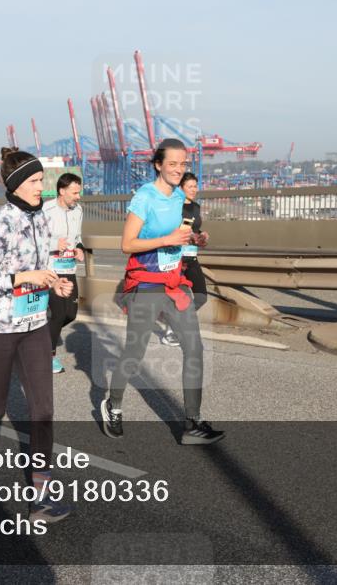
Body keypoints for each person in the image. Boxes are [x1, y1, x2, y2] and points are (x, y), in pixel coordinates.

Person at [0, 147, 74, 523]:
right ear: (14, 185)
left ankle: (40, 493)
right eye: (35, 182)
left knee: (43, 410)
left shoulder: (41, 219)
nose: (42, 187)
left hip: (34, 325)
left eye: (42, 180)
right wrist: (24, 278)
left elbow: (41, 267)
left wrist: (54, 283)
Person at [101, 139, 224, 445]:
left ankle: (192, 423)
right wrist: (168, 237)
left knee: (194, 349)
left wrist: (194, 239)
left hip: (174, 282)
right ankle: (113, 405)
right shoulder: (146, 196)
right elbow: (127, 244)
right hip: (146, 283)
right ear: (158, 164)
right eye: (172, 164)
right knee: (135, 352)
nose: (179, 169)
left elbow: (177, 239)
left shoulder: (180, 195)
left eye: (183, 164)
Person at [159, 172, 210, 346]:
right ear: (180, 188)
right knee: (180, 298)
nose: (194, 189)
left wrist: (202, 235)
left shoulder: (196, 207)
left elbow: (195, 228)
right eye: (190, 186)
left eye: (196, 186)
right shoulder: (173, 207)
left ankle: (176, 322)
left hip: (192, 257)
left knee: (201, 297)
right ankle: (172, 331)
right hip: (176, 259)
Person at [41, 173, 84, 374]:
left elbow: (77, 237)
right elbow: (34, 238)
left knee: (70, 314)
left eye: (79, 192)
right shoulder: (46, 210)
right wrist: (53, 243)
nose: (78, 196)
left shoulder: (79, 210)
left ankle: (44, 332)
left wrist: (79, 249)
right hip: (52, 270)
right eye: (74, 192)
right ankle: (47, 356)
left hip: (69, 268)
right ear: (62, 191)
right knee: (58, 314)